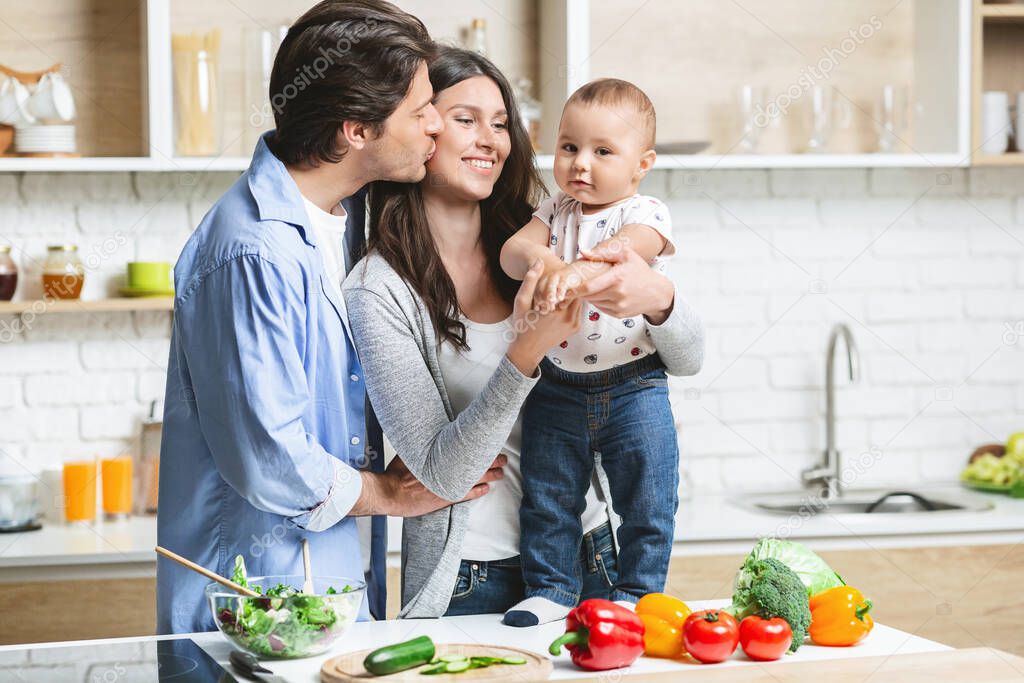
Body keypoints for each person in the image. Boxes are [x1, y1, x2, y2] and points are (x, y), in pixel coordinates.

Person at [156, 1, 505, 634]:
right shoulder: (251, 252)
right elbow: (271, 456)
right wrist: (389, 495)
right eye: (421, 110)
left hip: (337, 590)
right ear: (357, 130)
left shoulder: (350, 221)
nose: (435, 127)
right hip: (253, 608)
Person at [343, 48, 704, 620]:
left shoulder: (552, 233)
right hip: (470, 575)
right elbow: (442, 472)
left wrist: (662, 300)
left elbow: (687, 361)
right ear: (423, 129)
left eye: (501, 122)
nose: (490, 138)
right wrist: (527, 350)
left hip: (594, 555)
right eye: (465, 119)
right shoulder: (379, 288)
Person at [496, 78, 696, 626]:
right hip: (557, 385)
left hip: (635, 383)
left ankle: (639, 593)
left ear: (641, 163)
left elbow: (626, 252)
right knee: (548, 495)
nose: (581, 163)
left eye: (603, 152)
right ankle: (552, 588)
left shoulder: (645, 214)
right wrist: (547, 262)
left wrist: (578, 269)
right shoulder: (554, 208)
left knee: (648, 497)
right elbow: (514, 252)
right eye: (569, 147)